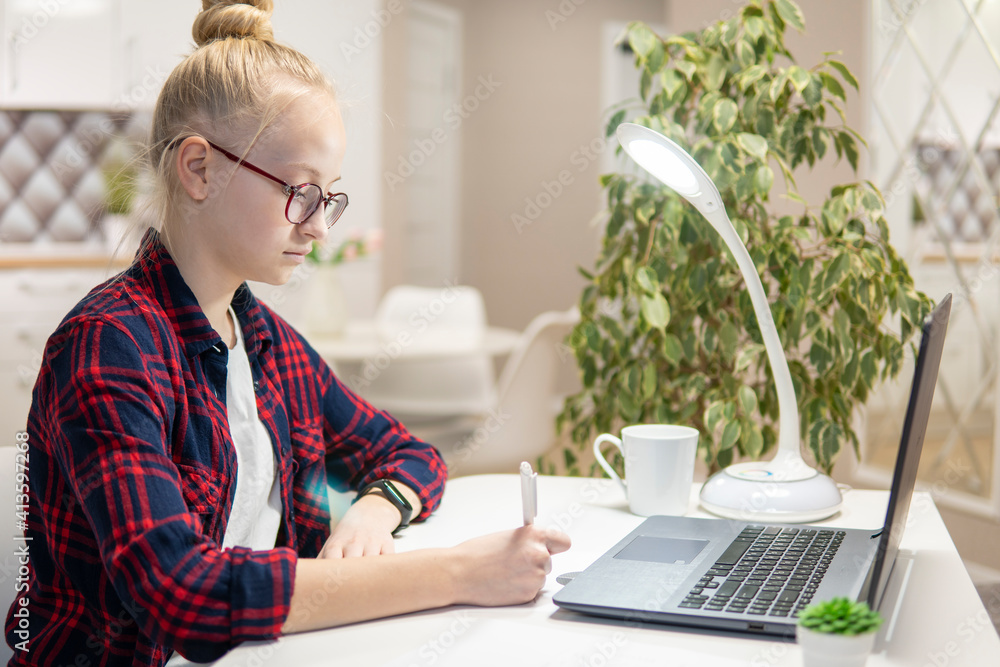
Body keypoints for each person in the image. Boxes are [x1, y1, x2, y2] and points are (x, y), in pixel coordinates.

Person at [4, 2, 570, 665]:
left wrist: (374, 509)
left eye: (328, 197)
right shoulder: (107, 347)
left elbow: (410, 453)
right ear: (199, 169)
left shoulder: (271, 345)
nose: (320, 227)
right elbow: (181, 593)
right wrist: (456, 573)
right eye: (300, 192)